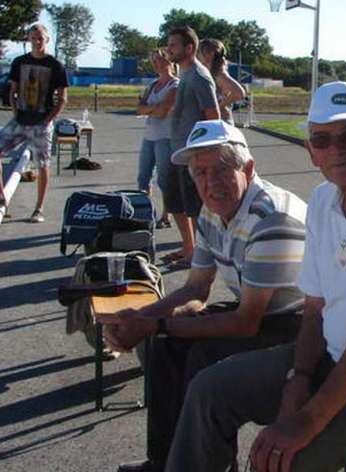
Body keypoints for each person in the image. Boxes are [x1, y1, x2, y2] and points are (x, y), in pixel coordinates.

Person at [164, 81, 346, 472]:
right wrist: (298, 378)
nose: (336, 149)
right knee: (209, 390)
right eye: (322, 139)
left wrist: (305, 419)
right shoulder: (322, 199)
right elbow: (315, 308)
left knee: (285, 459)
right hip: (331, 358)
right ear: (311, 151)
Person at [99, 120, 308, 472]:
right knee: (164, 349)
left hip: (302, 323)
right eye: (199, 173)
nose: (210, 184)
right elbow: (196, 290)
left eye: (222, 170)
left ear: (249, 168)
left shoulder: (271, 218)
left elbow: (246, 323)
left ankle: (207, 466)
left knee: (201, 358)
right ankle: (165, 461)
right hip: (261, 310)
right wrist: (139, 318)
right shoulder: (213, 209)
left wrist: (153, 325)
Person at [0, 23, 68, 223]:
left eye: (40, 38)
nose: (37, 41)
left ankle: (38, 208)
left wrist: (48, 120)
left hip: (42, 122)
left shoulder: (55, 66)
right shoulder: (19, 62)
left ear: (46, 40)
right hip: (20, 119)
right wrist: (15, 111)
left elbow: (63, 98)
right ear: (29, 40)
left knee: (42, 164)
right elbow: (13, 91)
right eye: (33, 38)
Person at [164, 26, 219, 267]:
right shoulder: (183, 74)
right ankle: (189, 248)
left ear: (189, 48)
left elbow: (213, 116)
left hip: (192, 153)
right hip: (175, 150)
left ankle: (201, 259)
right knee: (175, 202)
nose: (169, 49)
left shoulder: (199, 77)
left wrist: (204, 154)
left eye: (173, 45)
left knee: (195, 209)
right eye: (169, 44)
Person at [137, 49, 179, 227]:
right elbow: (139, 109)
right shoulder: (152, 85)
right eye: (154, 61)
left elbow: (163, 112)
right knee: (143, 178)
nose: (157, 64)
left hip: (166, 137)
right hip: (149, 136)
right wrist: (153, 108)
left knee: (164, 178)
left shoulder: (176, 85)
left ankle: (166, 214)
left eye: (161, 60)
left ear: (170, 62)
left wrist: (150, 109)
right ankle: (144, 212)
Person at [197, 38, 246, 125]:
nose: (197, 56)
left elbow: (239, 93)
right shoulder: (207, 73)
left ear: (209, 54)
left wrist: (219, 107)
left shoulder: (219, 74)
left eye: (199, 52)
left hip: (222, 123)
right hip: (211, 122)